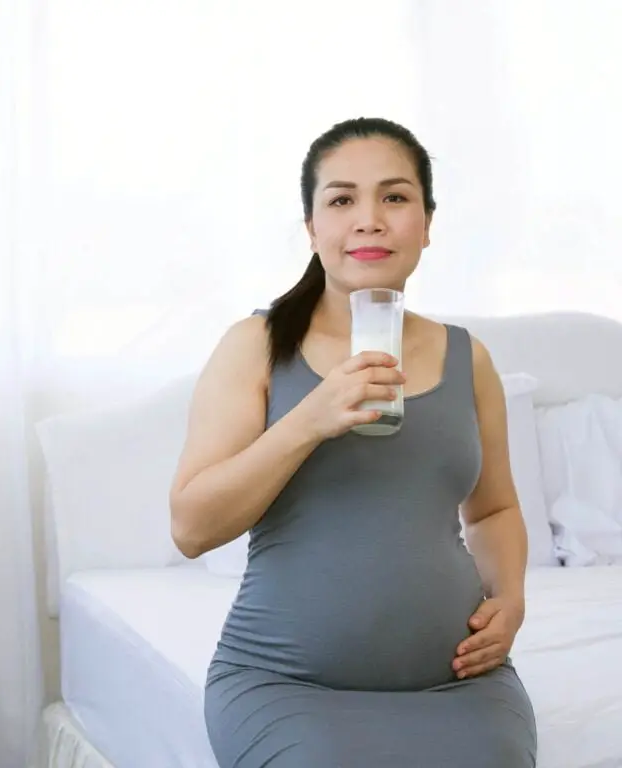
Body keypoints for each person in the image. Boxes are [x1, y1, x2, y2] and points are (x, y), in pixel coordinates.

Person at [169, 117, 538, 766]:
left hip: (459, 686)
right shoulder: (255, 346)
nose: (369, 219)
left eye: (395, 197)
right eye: (341, 199)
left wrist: (509, 599)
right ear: (312, 228)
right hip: (288, 689)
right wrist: (310, 418)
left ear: (426, 222)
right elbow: (191, 527)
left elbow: (495, 509)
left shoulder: (467, 357)